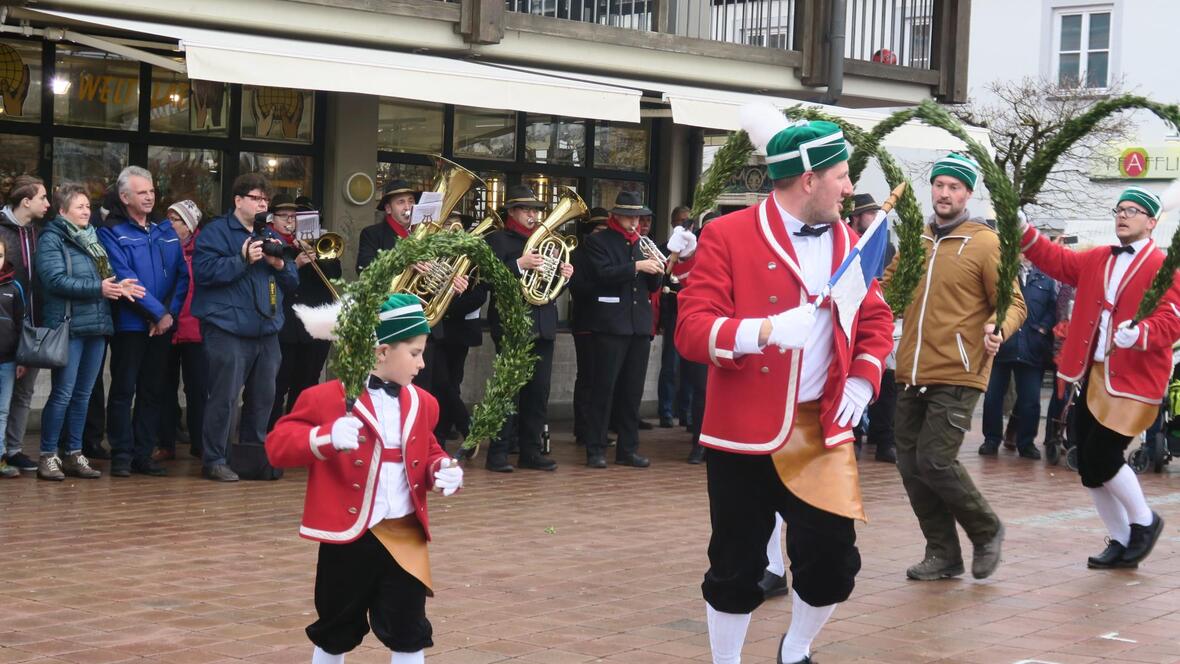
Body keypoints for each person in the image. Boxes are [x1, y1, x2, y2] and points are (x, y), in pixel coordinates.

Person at [676, 106, 894, 664]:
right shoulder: (727, 234)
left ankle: (793, 651)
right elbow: (691, 330)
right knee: (736, 566)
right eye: (843, 175)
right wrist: (763, 331)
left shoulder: (850, 240)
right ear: (809, 179)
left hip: (821, 430)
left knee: (832, 564)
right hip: (744, 430)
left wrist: (864, 382)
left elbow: (872, 322)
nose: (850, 188)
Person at [265, 293, 464, 664]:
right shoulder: (326, 398)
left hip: (404, 532)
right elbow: (277, 446)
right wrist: (323, 438)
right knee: (336, 627)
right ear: (382, 351)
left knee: (409, 628)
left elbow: (428, 449)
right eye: (415, 352)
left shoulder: (425, 403)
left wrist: (441, 471)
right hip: (348, 533)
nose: (422, 363)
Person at [886, 152, 1026, 582]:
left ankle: (986, 530)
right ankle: (943, 553)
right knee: (910, 465)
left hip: (960, 369)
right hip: (911, 369)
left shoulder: (984, 242)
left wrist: (998, 328)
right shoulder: (917, 239)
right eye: (939, 185)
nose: (945, 193)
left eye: (954, 187)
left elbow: (1013, 302)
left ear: (967, 194)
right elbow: (888, 290)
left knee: (936, 460)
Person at [1019, 187, 1175, 569]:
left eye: (1133, 211)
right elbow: (1054, 259)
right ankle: (1121, 539)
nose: (1123, 216)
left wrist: (1141, 334)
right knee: (1087, 465)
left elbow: (1173, 317)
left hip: (1134, 381)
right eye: (1119, 209)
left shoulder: (1162, 265)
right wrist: (1023, 229)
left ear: (1151, 222)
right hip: (1092, 375)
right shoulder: (1098, 258)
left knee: (1103, 455)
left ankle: (1144, 521)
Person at [192, 173, 298, 482]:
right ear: (238, 201)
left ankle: (253, 459)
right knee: (224, 398)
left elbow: (292, 281)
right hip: (227, 329)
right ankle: (214, 459)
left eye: (265, 199)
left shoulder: (269, 233)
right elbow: (204, 273)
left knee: (264, 397)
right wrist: (242, 259)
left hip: (265, 330)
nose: (263, 203)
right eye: (257, 198)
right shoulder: (215, 232)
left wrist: (280, 265)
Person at [35, 184, 144, 481]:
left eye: (88, 206)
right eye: (80, 206)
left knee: (83, 395)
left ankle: (74, 452)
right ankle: (48, 455)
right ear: (62, 211)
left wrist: (118, 287)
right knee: (63, 393)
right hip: (69, 326)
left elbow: (105, 277)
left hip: (97, 325)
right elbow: (54, 280)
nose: (87, 211)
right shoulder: (51, 238)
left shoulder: (92, 238)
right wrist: (99, 288)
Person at [99, 166, 190, 478]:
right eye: (142, 192)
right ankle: (122, 453)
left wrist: (169, 315)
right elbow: (126, 279)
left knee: (153, 391)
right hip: (131, 325)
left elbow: (182, 276)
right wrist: (157, 314)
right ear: (125, 197)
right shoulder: (111, 232)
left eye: (151, 191)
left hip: (162, 325)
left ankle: (143, 453)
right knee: (124, 390)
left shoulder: (165, 231)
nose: (149, 196)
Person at [482, 184, 569, 473]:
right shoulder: (498, 240)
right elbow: (488, 280)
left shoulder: (546, 241)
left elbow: (549, 288)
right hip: (512, 324)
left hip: (543, 324)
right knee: (508, 390)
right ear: (513, 212)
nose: (534, 215)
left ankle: (531, 451)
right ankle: (497, 453)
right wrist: (519, 264)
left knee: (537, 392)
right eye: (528, 210)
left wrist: (563, 275)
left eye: (536, 210)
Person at [581, 192, 662, 469]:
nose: (635, 222)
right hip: (611, 324)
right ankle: (595, 449)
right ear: (616, 216)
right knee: (603, 389)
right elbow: (602, 274)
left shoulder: (643, 243)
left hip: (638, 325)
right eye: (630, 216)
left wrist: (657, 269)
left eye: (638, 217)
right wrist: (637, 266)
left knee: (632, 391)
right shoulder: (598, 241)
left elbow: (652, 287)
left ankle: (628, 448)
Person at [268, 195, 342, 429]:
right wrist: (296, 262)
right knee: (279, 383)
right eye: (290, 218)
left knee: (307, 382)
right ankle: (273, 432)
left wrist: (316, 254)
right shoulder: (277, 244)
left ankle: (297, 430)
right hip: (287, 325)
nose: (294, 223)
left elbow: (335, 275)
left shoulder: (320, 243)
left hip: (316, 325)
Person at [980, 259, 1057, 460]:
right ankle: (991, 439)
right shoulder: (1002, 273)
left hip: (1032, 348)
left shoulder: (1046, 277)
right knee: (992, 398)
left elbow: (1053, 308)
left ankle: (1026, 443)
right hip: (1003, 344)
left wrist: (1043, 328)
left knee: (1030, 400)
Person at [0, 175, 50, 473]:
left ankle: (15, 448)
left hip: (32, 322)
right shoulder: (3, 232)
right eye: (43, 197)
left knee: (24, 391)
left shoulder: (37, 233)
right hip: (5, 324)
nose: (48, 203)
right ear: (26, 201)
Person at [846, 193, 898, 463]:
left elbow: (887, 278)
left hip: (876, 315)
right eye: (870, 213)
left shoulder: (884, 245)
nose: (877, 218)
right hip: (847, 317)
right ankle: (851, 435)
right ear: (856, 217)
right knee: (849, 374)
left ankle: (884, 439)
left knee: (886, 378)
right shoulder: (842, 242)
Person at [429, 215, 489, 448]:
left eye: (456, 227)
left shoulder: (472, 259)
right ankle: (466, 427)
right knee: (440, 383)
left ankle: (442, 436)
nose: (451, 231)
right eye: (447, 226)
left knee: (452, 383)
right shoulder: (433, 255)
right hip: (436, 327)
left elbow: (480, 295)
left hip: (460, 330)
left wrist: (454, 297)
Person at [156, 200, 206, 460]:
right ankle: (166, 443)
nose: (170, 223)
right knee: (164, 386)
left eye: (176, 219)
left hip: (195, 327)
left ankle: (200, 443)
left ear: (189, 225)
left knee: (197, 388)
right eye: (169, 217)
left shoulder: (204, 249)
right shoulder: (163, 245)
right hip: (167, 325)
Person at [569, 207, 610, 447]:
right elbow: (579, 289)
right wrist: (605, 282)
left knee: (603, 379)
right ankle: (583, 428)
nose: (602, 235)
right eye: (598, 230)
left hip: (607, 324)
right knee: (587, 377)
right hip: (586, 322)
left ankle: (599, 429)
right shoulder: (578, 256)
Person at [657, 205, 692, 429]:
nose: (684, 226)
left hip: (692, 317)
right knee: (670, 365)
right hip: (672, 313)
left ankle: (685, 413)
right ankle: (666, 412)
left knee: (690, 369)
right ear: (672, 224)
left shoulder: (696, 252)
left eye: (688, 223)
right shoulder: (662, 249)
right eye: (680, 222)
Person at [0, 237, 23, 478]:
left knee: (2, 410)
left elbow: (20, 324)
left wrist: (21, 358)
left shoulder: (13, 288)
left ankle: (1, 456)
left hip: (7, 360)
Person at [357, 179, 415, 273]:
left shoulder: (421, 232)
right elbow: (364, 269)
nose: (408, 207)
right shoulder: (371, 234)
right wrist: (405, 264)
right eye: (401, 202)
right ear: (388, 209)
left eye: (411, 201)